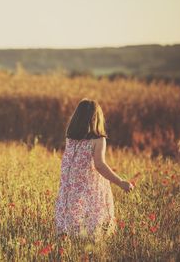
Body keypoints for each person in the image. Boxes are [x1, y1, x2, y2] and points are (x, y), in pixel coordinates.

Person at [55, 98, 133, 240]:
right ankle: (91, 248)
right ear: (96, 118)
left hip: (70, 186)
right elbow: (99, 165)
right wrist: (121, 182)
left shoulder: (70, 138)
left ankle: (69, 245)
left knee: (72, 218)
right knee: (93, 222)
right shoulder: (98, 139)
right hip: (90, 186)